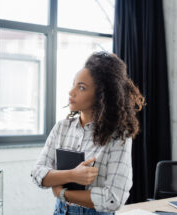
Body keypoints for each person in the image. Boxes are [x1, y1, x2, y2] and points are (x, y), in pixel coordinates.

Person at [31, 51, 145, 215]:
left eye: (81, 87)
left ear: (101, 96)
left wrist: (62, 193)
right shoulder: (62, 127)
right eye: (73, 84)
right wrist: (72, 175)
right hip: (60, 211)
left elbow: (113, 199)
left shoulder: (118, 136)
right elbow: (37, 174)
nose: (71, 92)